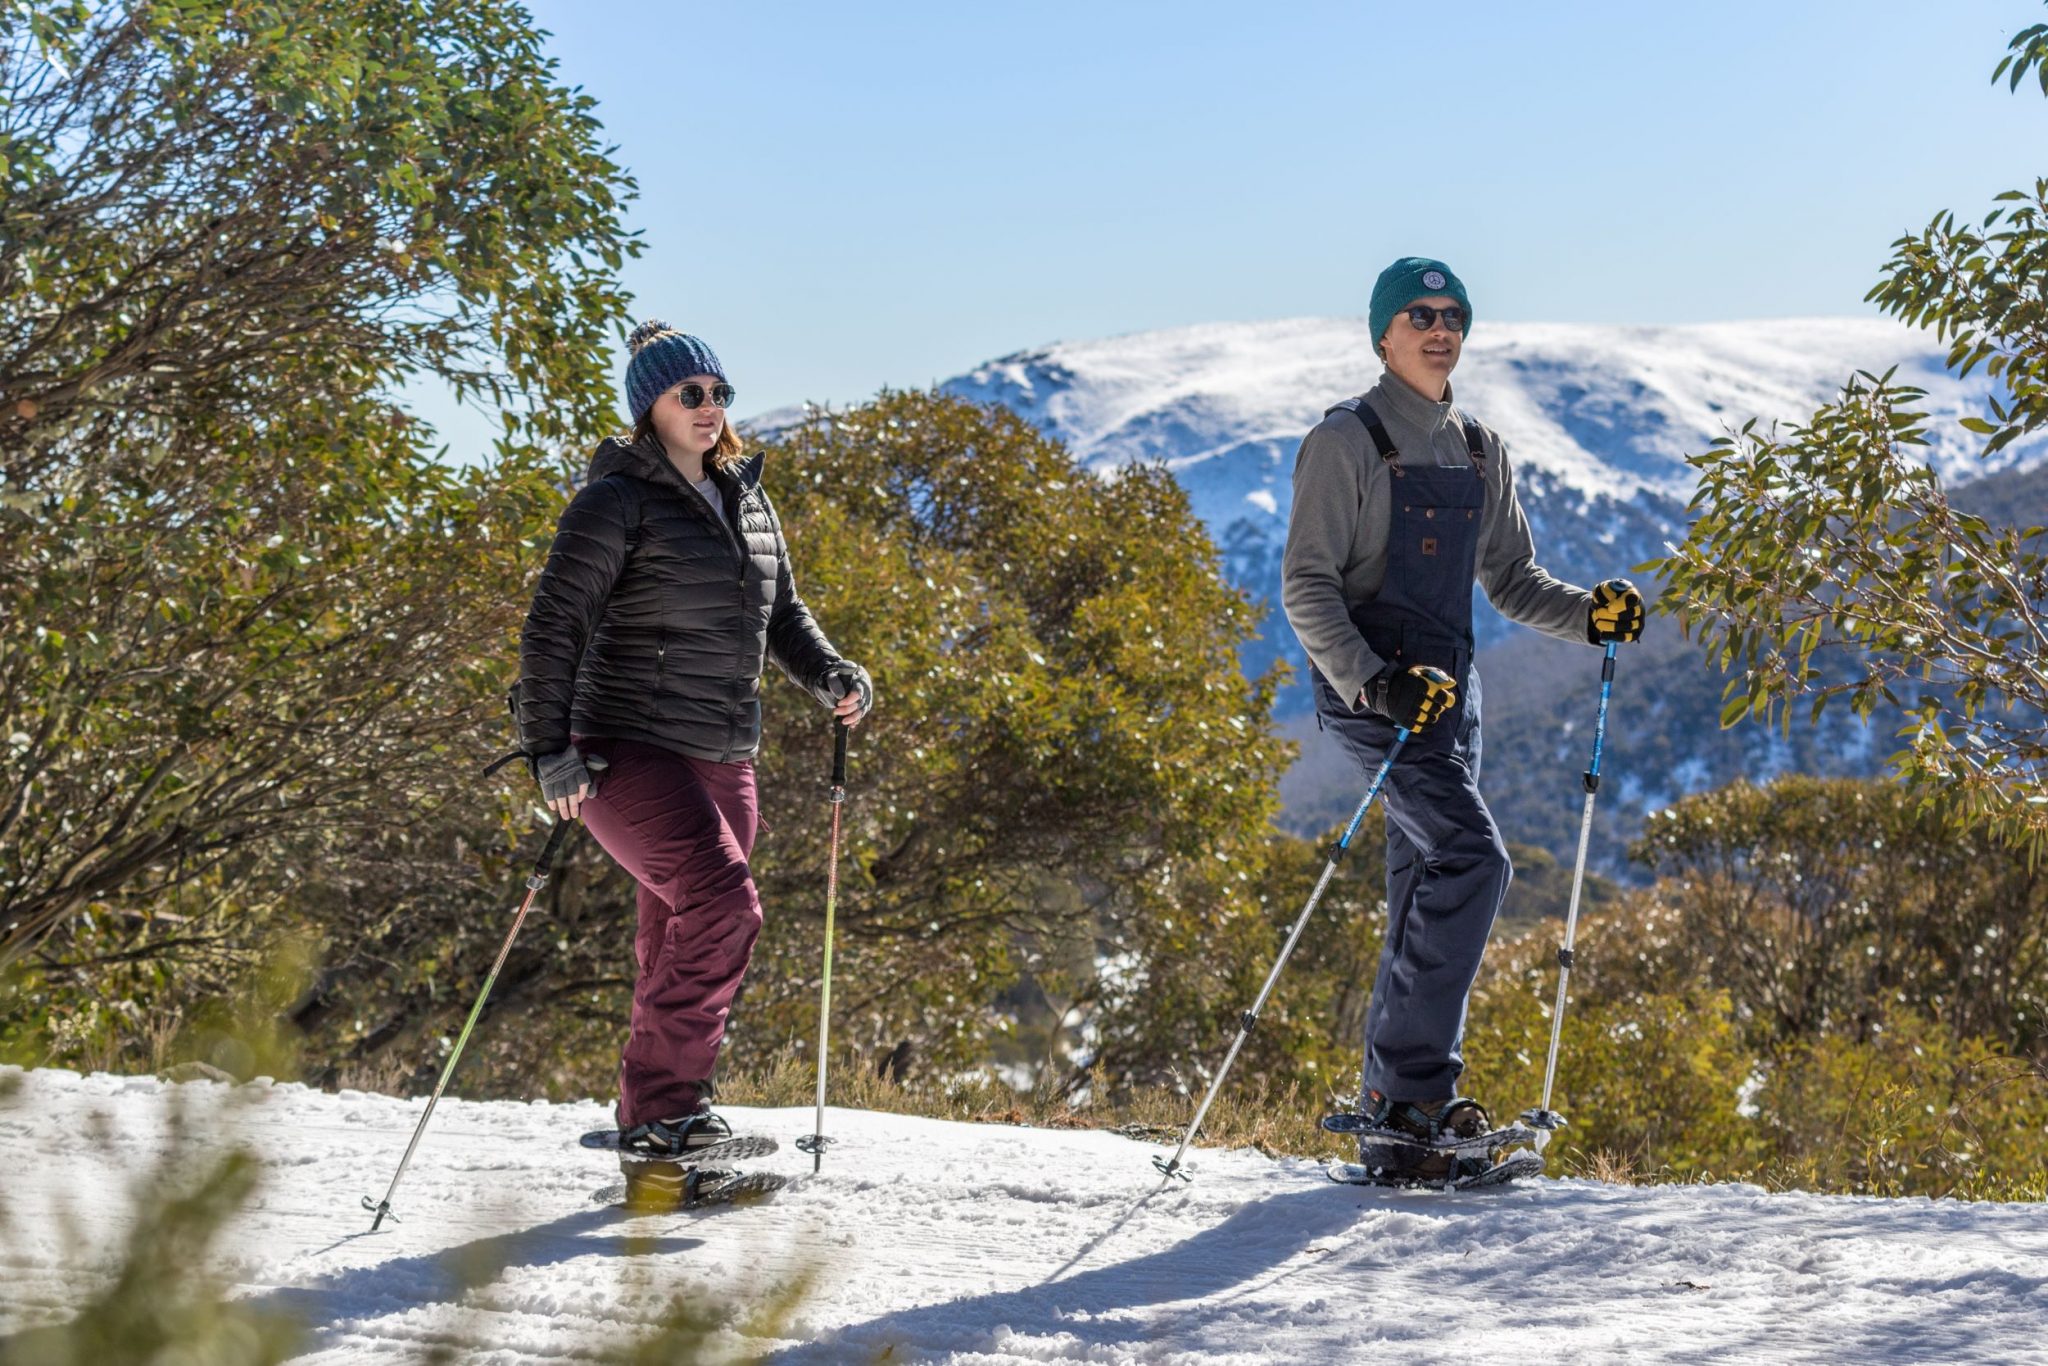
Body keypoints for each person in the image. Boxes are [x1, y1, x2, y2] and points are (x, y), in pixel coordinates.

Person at [1280, 258, 1643, 1182]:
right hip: (1376, 700)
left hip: (1454, 701)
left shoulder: (1480, 446)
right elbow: (1306, 586)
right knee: (1473, 859)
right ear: (1382, 335)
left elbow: (1513, 581)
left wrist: (1587, 613)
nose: (1440, 328)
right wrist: (1373, 681)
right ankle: (1416, 1096)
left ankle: (1393, 1128)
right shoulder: (1347, 440)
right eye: (1419, 314)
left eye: (1453, 315)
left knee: (1424, 882)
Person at [517, 319, 871, 1194]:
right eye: (691, 395)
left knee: (677, 931)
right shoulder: (616, 501)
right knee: (724, 910)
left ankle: (662, 1124)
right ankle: (664, 1115)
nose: (710, 409)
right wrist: (546, 751)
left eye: (720, 394)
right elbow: (555, 624)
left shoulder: (747, 499)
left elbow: (781, 616)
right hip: (624, 744)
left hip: (723, 750)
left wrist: (829, 672)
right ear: (652, 408)